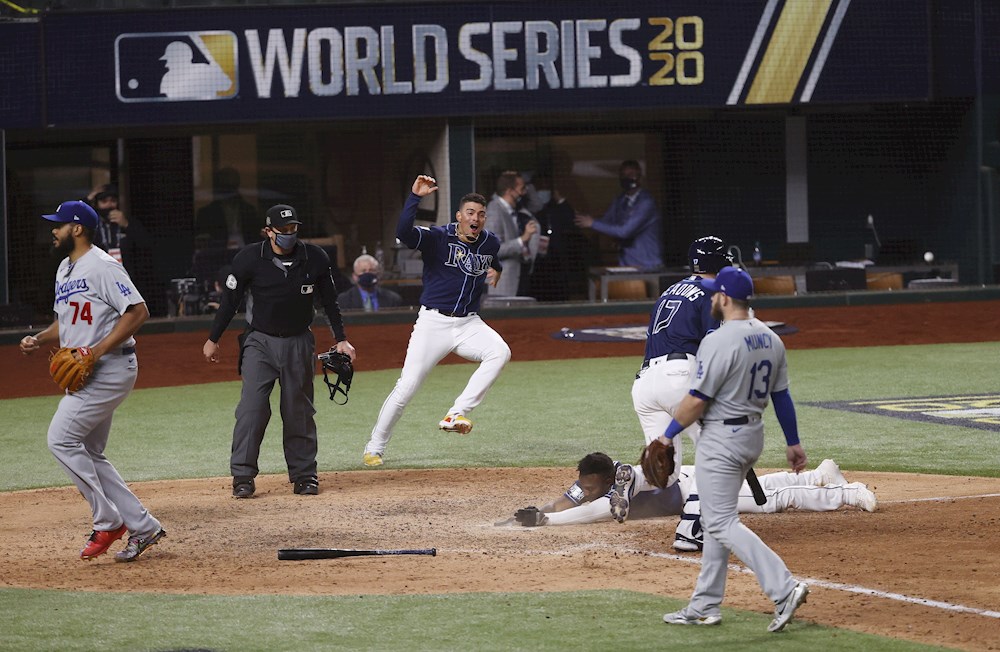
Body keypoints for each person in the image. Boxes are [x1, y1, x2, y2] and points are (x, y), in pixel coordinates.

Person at [636, 265, 809, 632]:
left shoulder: (718, 341)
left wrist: (666, 437)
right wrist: (793, 442)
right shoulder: (770, 338)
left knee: (720, 522)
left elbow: (697, 400)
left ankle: (784, 588)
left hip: (722, 439)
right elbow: (782, 396)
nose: (712, 296)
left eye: (716, 292)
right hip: (752, 436)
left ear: (725, 298)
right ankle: (704, 606)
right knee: (717, 521)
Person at [19, 200, 166, 562]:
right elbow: (66, 322)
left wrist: (96, 352)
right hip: (93, 371)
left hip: (110, 368)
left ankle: (108, 520)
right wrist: (39, 338)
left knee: (61, 439)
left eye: (58, 225)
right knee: (89, 452)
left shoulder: (102, 265)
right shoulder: (65, 269)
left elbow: (138, 311)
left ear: (77, 228)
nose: (53, 230)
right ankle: (143, 526)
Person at [202, 203, 356, 498]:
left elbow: (329, 301)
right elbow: (230, 301)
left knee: (299, 410)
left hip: (299, 341)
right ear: (268, 231)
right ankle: (243, 476)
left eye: (293, 228)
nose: (289, 233)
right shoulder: (249, 258)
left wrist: (341, 338)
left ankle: (304, 475)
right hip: (259, 342)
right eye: (283, 229)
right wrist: (213, 338)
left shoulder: (315, 257)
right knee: (252, 408)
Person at [362, 175, 510, 467]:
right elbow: (403, 233)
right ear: (459, 216)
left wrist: (498, 269)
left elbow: (492, 259)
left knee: (500, 352)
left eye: (481, 214)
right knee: (407, 387)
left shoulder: (490, 241)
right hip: (433, 323)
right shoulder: (438, 238)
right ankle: (374, 447)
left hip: (469, 323)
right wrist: (415, 197)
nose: (476, 218)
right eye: (470, 213)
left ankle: (456, 413)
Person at [498, 453, 876, 546]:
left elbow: (600, 510)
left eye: (592, 485)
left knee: (767, 500)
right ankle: (820, 476)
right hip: (690, 486)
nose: (586, 490)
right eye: (584, 485)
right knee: (762, 488)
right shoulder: (593, 480)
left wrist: (546, 522)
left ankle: (847, 492)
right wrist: (535, 512)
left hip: (698, 485)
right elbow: (569, 500)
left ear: (610, 479)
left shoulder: (622, 482)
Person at [632, 236, 732, 486]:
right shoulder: (714, 292)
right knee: (722, 454)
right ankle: (704, 517)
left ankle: (627, 477)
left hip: (644, 384)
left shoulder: (669, 291)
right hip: (678, 378)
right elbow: (713, 345)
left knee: (663, 473)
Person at [573, 159, 663, 269]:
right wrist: (583, 219)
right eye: (623, 175)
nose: (627, 178)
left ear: (640, 177)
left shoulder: (646, 203)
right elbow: (606, 222)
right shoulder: (620, 201)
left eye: (631, 174)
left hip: (647, 265)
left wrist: (592, 223)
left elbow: (624, 231)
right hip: (627, 264)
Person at [86, 183, 155, 297]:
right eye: (104, 201)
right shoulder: (91, 225)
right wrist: (88, 199)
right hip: (99, 280)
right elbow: (72, 219)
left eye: (113, 201)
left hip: (126, 280)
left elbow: (146, 245)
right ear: (97, 204)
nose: (109, 205)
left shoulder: (127, 221)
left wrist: (127, 225)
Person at [486, 170, 539, 297]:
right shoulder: (495, 211)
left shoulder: (514, 210)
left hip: (518, 280)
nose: (524, 193)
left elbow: (537, 206)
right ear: (510, 191)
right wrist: (523, 239)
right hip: (502, 285)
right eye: (522, 189)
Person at [195, 167, 261, 250]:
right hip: (220, 253)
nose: (229, 191)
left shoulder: (249, 211)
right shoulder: (206, 213)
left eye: (232, 186)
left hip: (246, 251)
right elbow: (202, 240)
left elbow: (256, 236)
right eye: (226, 186)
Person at [337, 253, 403, 311]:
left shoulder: (393, 299)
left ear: (378, 274)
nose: (367, 274)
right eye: (363, 271)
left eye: (371, 270)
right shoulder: (343, 300)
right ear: (354, 276)